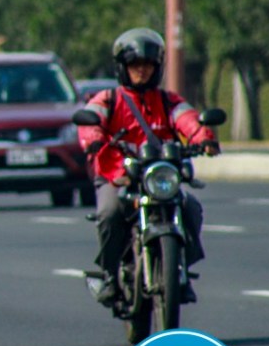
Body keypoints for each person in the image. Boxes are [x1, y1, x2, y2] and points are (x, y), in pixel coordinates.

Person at [78, 27, 220, 305]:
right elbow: (91, 119)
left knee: (190, 208)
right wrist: (93, 138)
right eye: (135, 65)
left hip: (160, 175)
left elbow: (188, 119)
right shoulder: (109, 99)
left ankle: (180, 270)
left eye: (147, 65)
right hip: (118, 175)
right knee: (109, 212)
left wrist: (204, 138)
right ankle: (109, 275)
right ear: (122, 67)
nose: (141, 71)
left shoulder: (168, 101)